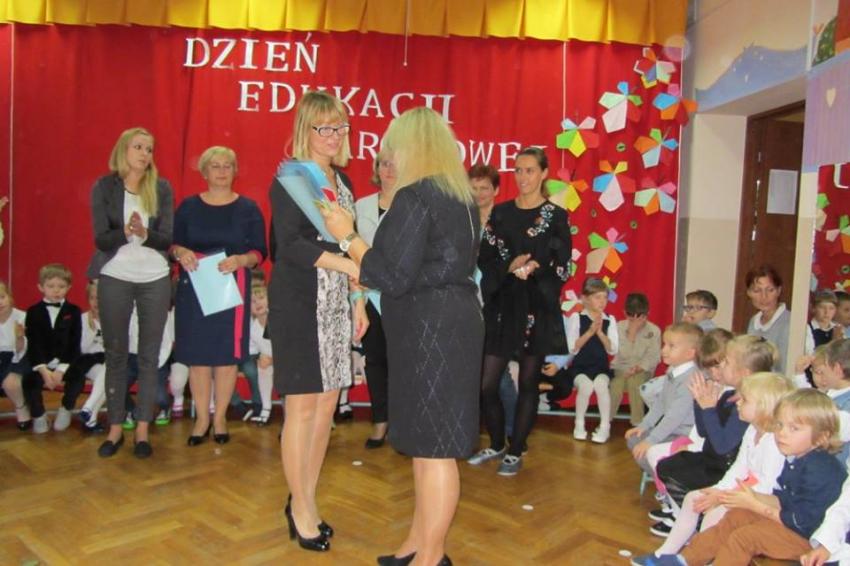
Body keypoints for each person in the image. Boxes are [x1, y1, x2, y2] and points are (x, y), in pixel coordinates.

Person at [322, 106, 482, 566]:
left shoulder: (416, 196)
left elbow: (391, 275)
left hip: (430, 329)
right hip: (449, 322)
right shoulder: (460, 196)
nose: (388, 156)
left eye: (393, 147)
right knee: (428, 445)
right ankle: (417, 545)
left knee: (435, 450)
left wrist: (347, 235)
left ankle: (432, 557)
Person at [268, 91, 367, 553]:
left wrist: (359, 301)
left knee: (327, 406)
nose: (333, 135)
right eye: (324, 127)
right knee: (303, 407)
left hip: (336, 304)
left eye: (340, 127)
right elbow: (289, 245)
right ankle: (302, 509)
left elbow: (352, 240)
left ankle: (303, 497)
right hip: (300, 302)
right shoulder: (291, 178)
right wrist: (347, 265)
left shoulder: (342, 180)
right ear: (305, 130)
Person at [469, 146, 572, 476]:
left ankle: (515, 450)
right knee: (487, 384)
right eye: (518, 170)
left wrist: (537, 269)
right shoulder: (501, 214)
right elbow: (484, 258)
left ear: (543, 173)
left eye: (529, 170)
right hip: (502, 306)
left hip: (536, 308)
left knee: (529, 383)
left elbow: (563, 265)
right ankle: (497, 442)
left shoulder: (556, 216)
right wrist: (509, 266)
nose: (523, 177)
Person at [665, 389, 846, 566]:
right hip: (793, 526)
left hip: (811, 541)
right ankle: (683, 560)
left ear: (821, 437)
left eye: (794, 428)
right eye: (780, 425)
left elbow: (801, 523)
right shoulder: (797, 458)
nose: (782, 433)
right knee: (738, 516)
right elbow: (781, 500)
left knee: (745, 537)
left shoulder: (820, 469)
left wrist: (755, 505)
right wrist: (751, 498)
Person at [631, 371, 795, 565]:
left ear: (763, 407)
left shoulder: (775, 442)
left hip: (763, 501)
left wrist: (722, 496)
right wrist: (717, 489)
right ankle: (666, 555)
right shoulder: (752, 430)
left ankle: (701, 557)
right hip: (745, 492)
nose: (738, 403)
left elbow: (767, 487)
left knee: (715, 513)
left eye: (745, 400)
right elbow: (738, 468)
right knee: (694, 498)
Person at [87, 126, 173, 459]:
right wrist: (125, 232)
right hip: (115, 275)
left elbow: (167, 239)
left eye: (149, 149)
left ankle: (142, 430)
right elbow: (100, 239)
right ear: (123, 150)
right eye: (138, 147)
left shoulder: (161, 188)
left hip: (155, 277)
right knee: (117, 355)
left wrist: (145, 233)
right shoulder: (104, 187)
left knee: (149, 357)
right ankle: (114, 428)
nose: (144, 154)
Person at [172, 145, 266, 447]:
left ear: (235, 171)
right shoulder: (188, 207)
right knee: (198, 360)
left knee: (226, 360)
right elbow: (173, 244)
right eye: (216, 166)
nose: (222, 171)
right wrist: (181, 252)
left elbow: (260, 252)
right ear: (204, 172)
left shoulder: (248, 208)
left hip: (231, 290)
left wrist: (241, 260)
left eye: (228, 165)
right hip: (194, 290)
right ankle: (202, 419)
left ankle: (221, 417)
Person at [650, 334, 774, 537]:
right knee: (667, 466)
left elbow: (722, 446)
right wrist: (700, 401)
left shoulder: (745, 405)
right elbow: (703, 431)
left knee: (675, 472)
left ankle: (696, 521)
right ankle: (689, 518)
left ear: (745, 373)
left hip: (724, 466)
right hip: (713, 458)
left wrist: (708, 408)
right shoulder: (729, 395)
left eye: (726, 362)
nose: (721, 366)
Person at [354, 150, 398, 448]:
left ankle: (402, 422)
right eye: (384, 164)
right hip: (369, 296)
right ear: (376, 168)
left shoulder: (413, 204)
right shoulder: (361, 206)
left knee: (403, 362)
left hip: (402, 295)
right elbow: (351, 252)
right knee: (375, 361)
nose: (389, 169)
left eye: (395, 164)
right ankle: (380, 420)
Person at [625, 323, 702, 475]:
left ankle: (669, 479)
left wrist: (651, 440)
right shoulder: (673, 371)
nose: (664, 350)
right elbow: (660, 403)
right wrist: (644, 425)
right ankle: (661, 474)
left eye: (671, 346)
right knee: (634, 438)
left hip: (684, 435)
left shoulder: (691, 379)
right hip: (672, 431)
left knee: (646, 450)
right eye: (664, 344)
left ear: (690, 353)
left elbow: (674, 417)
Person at [21, 264, 83, 434]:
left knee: (77, 379)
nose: (56, 290)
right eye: (51, 286)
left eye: (61, 286)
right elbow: (33, 343)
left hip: (66, 362)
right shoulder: (33, 311)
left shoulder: (74, 311)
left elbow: (74, 343)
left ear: (68, 287)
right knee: (29, 382)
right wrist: (43, 370)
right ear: (41, 287)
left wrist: (61, 370)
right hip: (41, 363)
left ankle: (66, 408)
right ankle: (38, 414)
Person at [564, 277, 619, 443]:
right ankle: (579, 424)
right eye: (597, 297)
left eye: (605, 297)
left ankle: (604, 427)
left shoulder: (609, 320)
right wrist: (589, 332)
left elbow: (612, 349)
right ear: (585, 299)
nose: (602, 301)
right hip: (580, 367)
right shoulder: (577, 317)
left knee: (601, 385)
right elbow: (572, 348)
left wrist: (600, 332)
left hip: (600, 367)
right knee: (586, 386)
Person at [610, 292, 661, 427]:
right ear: (625, 313)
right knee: (615, 386)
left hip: (643, 372)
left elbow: (653, 357)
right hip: (621, 370)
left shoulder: (654, 330)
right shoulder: (619, 327)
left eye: (641, 317)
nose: (637, 322)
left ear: (647, 314)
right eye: (631, 318)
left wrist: (638, 368)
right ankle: (606, 421)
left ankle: (638, 423)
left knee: (635, 381)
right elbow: (623, 355)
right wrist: (631, 335)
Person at [745, 264, 791, 373]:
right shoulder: (753, 321)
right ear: (749, 293)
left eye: (770, 290)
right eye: (757, 291)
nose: (764, 297)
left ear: (778, 291)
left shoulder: (789, 323)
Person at [0, 280, 31, 430]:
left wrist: (19, 337)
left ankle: (21, 407)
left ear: (10, 297)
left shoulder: (22, 317)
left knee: (11, 383)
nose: (0, 303)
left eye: (2, 297)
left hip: (19, 355)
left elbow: (22, 349)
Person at [805, 289, 839, 355]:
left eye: (831, 308)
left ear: (835, 310)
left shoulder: (837, 328)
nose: (827, 312)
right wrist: (834, 341)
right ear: (813, 308)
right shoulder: (808, 328)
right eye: (822, 307)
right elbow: (811, 354)